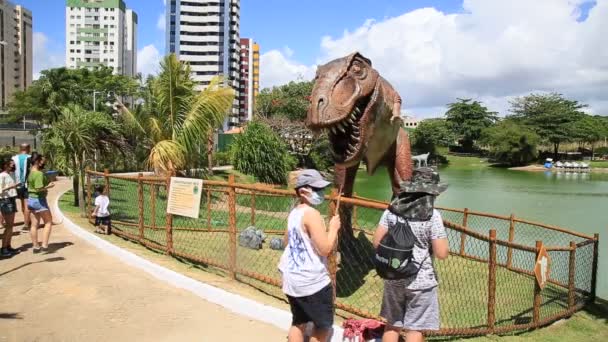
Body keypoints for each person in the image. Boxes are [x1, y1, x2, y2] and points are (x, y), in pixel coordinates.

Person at [372, 167, 449, 342]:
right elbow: (441, 253)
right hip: (421, 281)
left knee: (392, 325)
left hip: (393, 275)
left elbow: (376, 242)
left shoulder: (391, 211)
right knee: (415, 329)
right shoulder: (432, 216)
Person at [278, 169, 341, 342]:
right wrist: (333, 228)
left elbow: (287, 242)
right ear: (304, 191)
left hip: (293, 280)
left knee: (299, 322)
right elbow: (325, 249)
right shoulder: (311, 214)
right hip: (312, 283)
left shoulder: (294, 212)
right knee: (322, 326)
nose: (321, 194)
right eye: (317, 189)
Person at [27, 154, 54, 254]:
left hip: (31, 200)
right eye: (42, 161)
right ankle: (45, 245)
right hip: (39, 200)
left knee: (34, 224)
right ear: (37, 161)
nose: (43, 163)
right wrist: (49, 186)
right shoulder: (38, 174)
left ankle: (35, 246)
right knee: (48, 222)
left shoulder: (31, 172)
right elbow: (38, 188)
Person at [0, 159, 21, 256]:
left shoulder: (12, 174)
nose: (13, 166)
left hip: (12, 199)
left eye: (13, 165)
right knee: (8, 226)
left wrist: (16, 186)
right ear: (5, 165)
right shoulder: (2, 176)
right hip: (5, 200)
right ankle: (3, 248)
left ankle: (8, 246)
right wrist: (12, 186)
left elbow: (16, 184)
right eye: (11, 165)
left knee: (11, 226)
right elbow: (1, 190)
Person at [12, 143, 31, 232]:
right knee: (26, 204)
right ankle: (26, 225)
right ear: (28, 148)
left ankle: (27, 221)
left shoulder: (14, 158)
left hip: (17, 184)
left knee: (23, 204)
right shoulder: (30, 158)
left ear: (20, 148)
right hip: (27, 185)